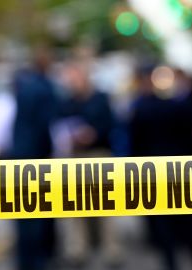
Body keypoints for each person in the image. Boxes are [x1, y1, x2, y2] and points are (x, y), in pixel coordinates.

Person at [129, 64, 192, 270]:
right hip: (182, 173)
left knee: (165, 229)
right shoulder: (182, 107)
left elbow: (135, 143)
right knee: (190, 224)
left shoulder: (142, 108)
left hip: (154, 174)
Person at [56, 60, 122, 268]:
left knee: (105, 204)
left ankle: (111, 250)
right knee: (76, 206)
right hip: (75, 155)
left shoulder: (100, 98)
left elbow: (111, 124)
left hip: (98, 153)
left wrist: (93, 133)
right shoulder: (67, 102)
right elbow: (60, 125)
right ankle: (78, 250)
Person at [10, 46, 58, 270]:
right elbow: (47, 123)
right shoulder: (45, 89)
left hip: (19, 154)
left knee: (22, 212)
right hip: (37, 156)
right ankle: (39, 259)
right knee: (38, 211)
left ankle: (24, 260)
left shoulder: (24, 87)